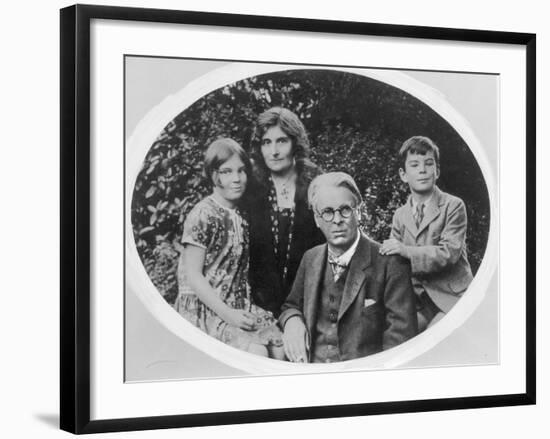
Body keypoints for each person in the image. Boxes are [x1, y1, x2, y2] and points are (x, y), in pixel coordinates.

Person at [279, 172, 417, 363]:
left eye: (345, 210)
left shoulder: (391, 263)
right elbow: (291, 305)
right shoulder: (310, 258)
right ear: (317, 220)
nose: (337, 220)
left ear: (358, 212)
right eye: (327, 212)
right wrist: (292, 321)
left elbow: (400, 341)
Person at [175, 138, 284, 359]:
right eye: (226, 172)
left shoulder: (243, 213)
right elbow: (193, 277)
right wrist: (228, 314)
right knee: (257, 352)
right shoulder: (202, 214)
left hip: (239, 304)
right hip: (207, 308)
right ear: (213, 175)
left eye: (241, 171)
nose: (236, 179)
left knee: (280, 346)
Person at [380, 136, 474, 332]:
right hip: (418, 301)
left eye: (428, 164)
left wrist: (405, 250)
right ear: (403, 174)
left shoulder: (453, 206)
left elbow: (448, 253)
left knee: (432, 338)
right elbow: (393, 264)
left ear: (437, 171)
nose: (422, 170)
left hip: (451, 297)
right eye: (414, 165)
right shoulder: (400, 215)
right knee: (396, 336)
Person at [246, 107, 325, 318]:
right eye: (266, 142)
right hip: (260, 305)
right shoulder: (251, 190)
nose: (274, 151)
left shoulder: (315, 186)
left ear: (295, 144)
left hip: (310, 300)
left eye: (281, 141)